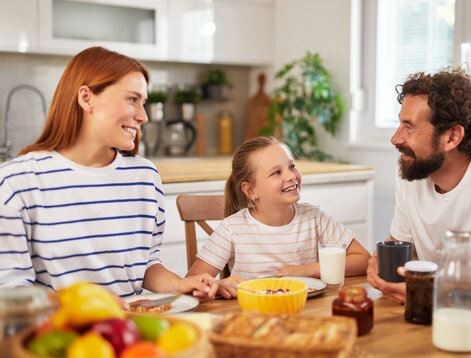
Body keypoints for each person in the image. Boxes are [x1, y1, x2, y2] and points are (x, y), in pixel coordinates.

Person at [0, 46, 217, 300]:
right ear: (86, 98)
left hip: (131, 332)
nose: (144, 117)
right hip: (59, 334)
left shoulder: (145, 177)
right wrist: (92, 306)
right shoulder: (17, 182)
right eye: (132, 99)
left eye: (143, 103)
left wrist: (179, 285)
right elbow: (12, 291)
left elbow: (144, 265)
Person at [366, 67, 471, 304]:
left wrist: (441, 289)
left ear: (452, 137)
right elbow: (407, 251)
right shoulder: (411, 172)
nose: (395, 139)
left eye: (410, 127)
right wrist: (383, 265)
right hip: (432, 313)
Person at [187, 136, 371, 298]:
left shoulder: (314, 218)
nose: (291, 176)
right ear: (251, 190)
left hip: (307, 313)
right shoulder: (232, 229)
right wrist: (219, 286)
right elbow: (191, 283)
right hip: (252, 318)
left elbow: (364, 259)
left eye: (291, 166)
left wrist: (307, 270)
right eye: (277, 172)